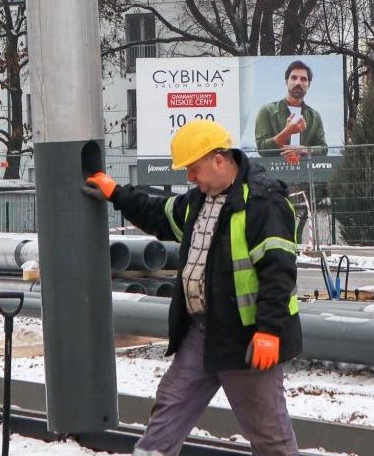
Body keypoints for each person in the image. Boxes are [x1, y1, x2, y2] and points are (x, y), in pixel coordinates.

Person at [85, 119, 302, 456]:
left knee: (269, 434)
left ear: (219, 160)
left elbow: (279, 272)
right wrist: (116, 193)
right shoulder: (199, 201)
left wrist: (269, 331)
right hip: (202, 334)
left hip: (247, 340)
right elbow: (158, 213)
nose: (189, 177)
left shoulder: (263, 203)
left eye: (194, 168)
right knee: (170, 406)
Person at [253, 59, 326, 162]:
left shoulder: (314, 116)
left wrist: (304, 150)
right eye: (294, 78)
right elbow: (262, 149)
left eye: (303, 79)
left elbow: (323, 148)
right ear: (286, 82)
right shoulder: (267, 111)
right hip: (273, 173)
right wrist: (287, 131)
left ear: (308, 84)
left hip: (307, 173)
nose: (298, 82)